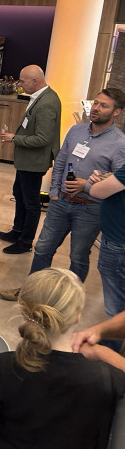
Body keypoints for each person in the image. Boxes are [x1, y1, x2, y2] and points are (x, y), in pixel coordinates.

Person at [0, 268, 125, 449]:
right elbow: (104, 445)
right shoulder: (107, 380)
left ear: (25, 312)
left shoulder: (0, 367)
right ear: (78, 316)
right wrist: (104, 354)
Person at [0, 89, 125, 302]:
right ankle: (32, 293)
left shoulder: (120, 143)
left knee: (78, 256)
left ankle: (68, 302)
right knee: (43, 248)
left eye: (103, 105)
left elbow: (118, 182)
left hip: (90, 208)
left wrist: (89, 184)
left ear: (116, 112)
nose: (95, 108)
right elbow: (60, 161)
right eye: (96, 103)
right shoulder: (76, 131)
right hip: (61, 202)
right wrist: (54, 192)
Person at [0, 65, 62, 254]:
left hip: (34, 162)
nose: (20, 84)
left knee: (31, 202)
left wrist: (14, 138)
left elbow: (43, 139)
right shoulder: (40, 97)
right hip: (26, 160)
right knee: (19, 193)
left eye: (23, 81)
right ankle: (17, 231)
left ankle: (25, 241)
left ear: (35, 81)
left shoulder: (47, 102)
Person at [88, 147, 125, 343]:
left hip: (118, 242)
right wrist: (112, 178)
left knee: (116, 309)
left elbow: (97, 191)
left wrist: (96, 182)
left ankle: (112, 353)